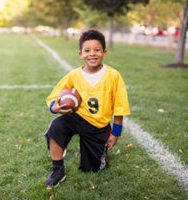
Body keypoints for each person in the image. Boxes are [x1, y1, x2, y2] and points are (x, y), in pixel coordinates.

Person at [44, 29, 130, 188]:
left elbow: (120, 107)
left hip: (98, 125)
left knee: (91, 169)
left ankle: (98, 154)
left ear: (104, 52)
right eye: (87, 50)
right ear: (80, 54)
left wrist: (115, 133)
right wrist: (55, 107)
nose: (92, 54)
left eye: (97, 50)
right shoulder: (74, 76)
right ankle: (57, 169)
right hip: (76, 118)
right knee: (56, 126)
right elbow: (53, 97)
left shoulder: (113, 76)